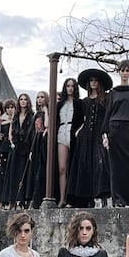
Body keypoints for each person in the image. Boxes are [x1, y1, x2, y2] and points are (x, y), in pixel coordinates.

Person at [103, 60, 129, 207]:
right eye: (123, 70)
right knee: (116, 166)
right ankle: (118, 199)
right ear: (119, 72)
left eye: (128, 70)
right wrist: (105, 135)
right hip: (115, 129)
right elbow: (108, 112)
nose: (125, 73)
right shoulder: (113, 92)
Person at [69, 69, 111, 208]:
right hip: (86, 136)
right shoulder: (84, 101)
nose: (93, 83)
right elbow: (84, 119)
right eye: (91, 80)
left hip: (100, 133)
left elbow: (107, 117)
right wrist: (79, 131)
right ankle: (87, 198)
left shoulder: (105, 98)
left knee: (101, 164)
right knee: (85, 164)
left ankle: (103, 196)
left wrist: (106, 133)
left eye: (96, 80)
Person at [55, 78, 82, 207]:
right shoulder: (60, 104)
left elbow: (84, 120)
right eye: (68, 86)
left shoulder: (79, 103)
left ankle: (71, 198)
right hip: (61, 133)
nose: (70, 88)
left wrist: (78, 131)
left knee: (73, 167)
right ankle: (62, 198)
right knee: (62, 168)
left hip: (73, 134)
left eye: (72, 86)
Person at [28, 91, 51, 209]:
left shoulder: (47, 112)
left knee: (43, 170)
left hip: (45, 142)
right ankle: (34, 199)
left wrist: (46, 111)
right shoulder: (36, 114)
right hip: (36, 143)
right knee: (35, 170)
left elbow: (47, 125)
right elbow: (33, 133)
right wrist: (31, 150)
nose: (39, 99)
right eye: (37, 97)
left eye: (42, 97)